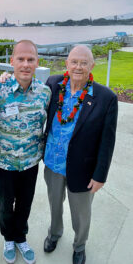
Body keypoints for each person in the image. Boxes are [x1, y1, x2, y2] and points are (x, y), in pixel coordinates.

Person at [43, 45, 118, 264]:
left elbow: (108, 140)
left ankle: (79, 245)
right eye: (74, 61)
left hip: (83, 168)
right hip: (52, 162)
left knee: (81, 213)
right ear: (66, 63)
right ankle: (54, 233)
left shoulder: (106, 98)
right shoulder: (53, 85)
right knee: (54, 204)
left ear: (92, 66)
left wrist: (100, 175)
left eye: (84, 63)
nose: (78, 67)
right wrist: (6, 78)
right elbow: (26, 88)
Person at [0, 40, 51, 264]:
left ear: (37, 63)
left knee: (25, 202)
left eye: (30, 59)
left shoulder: (45, 92)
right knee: (5, 204)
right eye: (20, 59)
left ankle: (21, 236)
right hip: (3, 162)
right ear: (11, 62)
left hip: (31, 162)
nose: (25, 64)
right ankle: (8, 239)